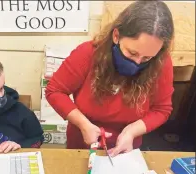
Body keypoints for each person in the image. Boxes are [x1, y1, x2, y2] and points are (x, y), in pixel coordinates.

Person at [45, 1, 174, 156]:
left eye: (147, 58)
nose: (138, 63)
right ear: (116, 35)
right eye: (132, 53)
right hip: (83, 143)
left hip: (127, 148)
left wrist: (132, 131)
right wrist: (83, 124)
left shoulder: (161, 63)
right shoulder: (88, 54)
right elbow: (55, 91)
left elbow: (162, 109)